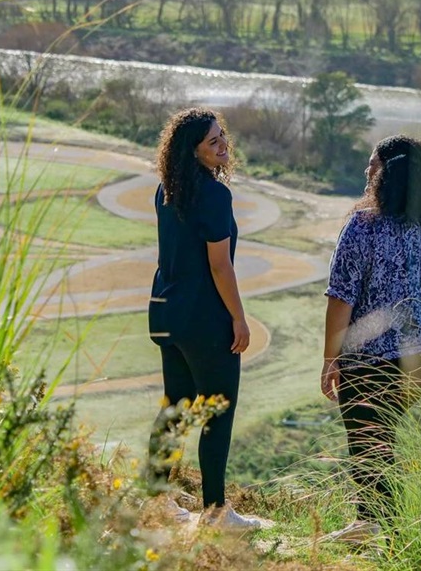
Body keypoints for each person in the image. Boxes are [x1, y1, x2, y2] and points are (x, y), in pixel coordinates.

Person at [320, 135, 421, 542]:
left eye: (372, 166)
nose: (367, 173)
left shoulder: (363, 226)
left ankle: (387, 534)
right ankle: (374, 526)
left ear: (389, 173)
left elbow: (341, 298)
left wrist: (331, 359)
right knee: (380, 434)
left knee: (368, 438)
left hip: (373, 358)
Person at [146, 107, 263, 530]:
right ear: (191, 151)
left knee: (174, 409)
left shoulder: (167, 189)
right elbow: (220, 267)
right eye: (212, 142)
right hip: (204, 319)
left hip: (165, 311)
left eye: (222, 138)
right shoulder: (214, 195)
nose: (222, 147)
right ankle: (214, 513)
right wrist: (240, 318)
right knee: (218, 411)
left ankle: (156, 504)